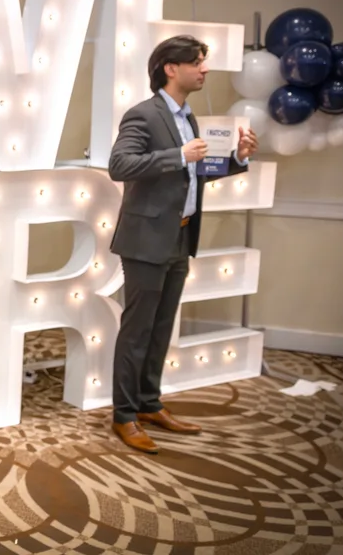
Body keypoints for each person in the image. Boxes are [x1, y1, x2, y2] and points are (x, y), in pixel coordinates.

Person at [107, 35, 258, 454]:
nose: (205, 69)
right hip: (145, 241)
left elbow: (192, 174)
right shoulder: (143, 114)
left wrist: (237, 159)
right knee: (137, 331)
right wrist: (178, 155)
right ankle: (124, 416)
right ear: (170, 68)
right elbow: (119, 166)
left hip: (180, 235)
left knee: (160, 328)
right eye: (197, 62)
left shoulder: (188, 118)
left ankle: (149, 403)